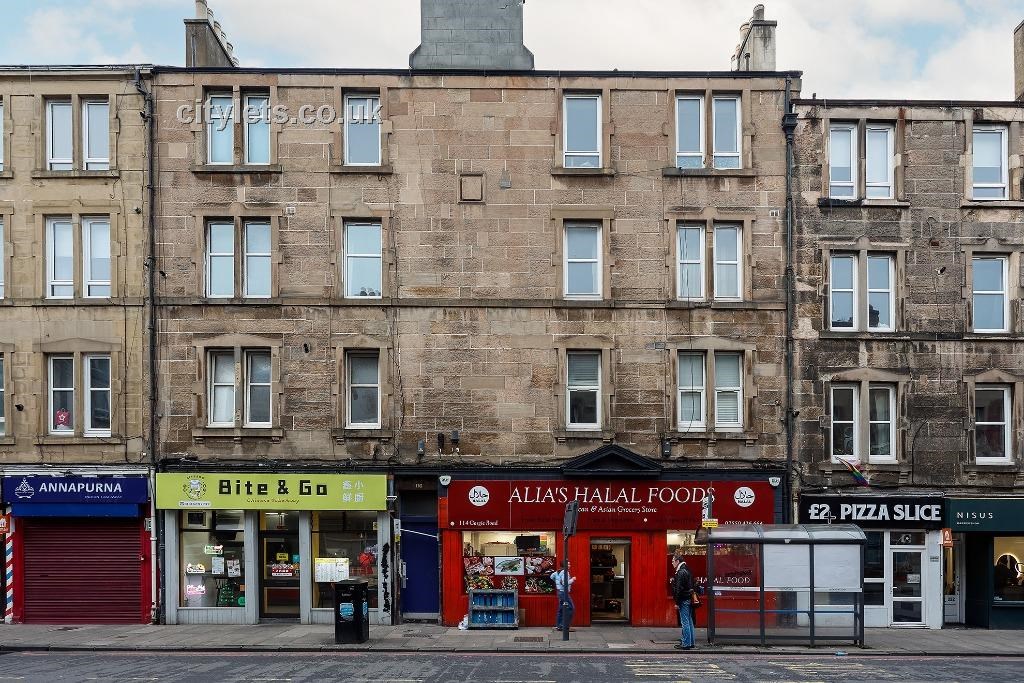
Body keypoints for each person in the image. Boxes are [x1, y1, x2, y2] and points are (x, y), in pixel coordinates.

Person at [671, 557, 695, 650]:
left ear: (677, 561)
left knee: (685, 622)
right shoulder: (687, 569)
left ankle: (686, 643)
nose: (672, 563)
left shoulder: (681, 572)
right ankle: (691, 642)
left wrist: (677, 602)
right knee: (689, 621)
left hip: (683, 599)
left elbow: (679, 589)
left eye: (673, 561)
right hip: (688, 598)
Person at [550, 560, 576, 631]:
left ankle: (559, 626)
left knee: (561, 609)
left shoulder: (557, 572)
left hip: (559, 592)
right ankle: (565, 626)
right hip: (564, 593)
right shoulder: (565, 572)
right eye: (568, 564)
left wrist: (557, 582)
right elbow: (565, 583)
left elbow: (551, 577)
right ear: (565, 565)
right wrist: (573, 579)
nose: (570, 565)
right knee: (571, 608)